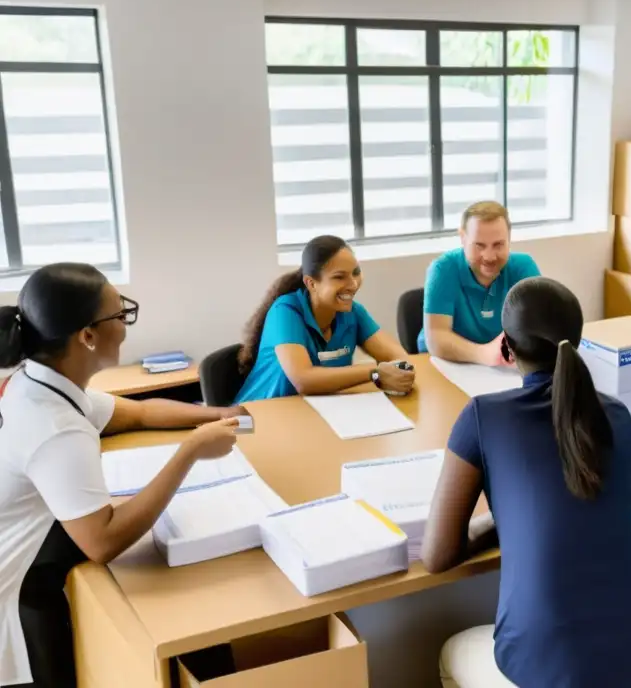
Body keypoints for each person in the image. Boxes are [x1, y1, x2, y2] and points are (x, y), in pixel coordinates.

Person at [422, 277, 631, 688]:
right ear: (577, 344)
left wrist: (495, 524)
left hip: (552, 671)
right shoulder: (617, 416)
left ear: (506, 347)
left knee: (452, 652)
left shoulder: (483, 416)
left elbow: (437, 555)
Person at [0, 263, 242, 688]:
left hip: (39, 548)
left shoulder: (41, 382)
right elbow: (102, 542)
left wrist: (218, 413)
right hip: (17, 588)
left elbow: (138, 411)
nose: (126, 327)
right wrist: (190, 451)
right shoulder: (55, 426)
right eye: (120, 315)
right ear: (87, 336)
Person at [235, 235, 414, 403]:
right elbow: (304, 380)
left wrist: (400, 372)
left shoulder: (353, 312)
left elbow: (397, 356)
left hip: (311, 413)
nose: (353, 284)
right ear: (311, 283)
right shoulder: (285, 311)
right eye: (339, 277)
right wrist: (374, 372)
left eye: (356, 273)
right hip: (252, 420)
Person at [418, 202, 540, 366]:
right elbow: (436, 338)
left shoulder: (524, 267)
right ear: (463, 238)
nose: (489, 257)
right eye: (479, 245)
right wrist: (485, 354)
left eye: (498, 245)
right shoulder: (443, 269)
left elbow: (540, 326)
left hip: (503, 365)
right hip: (446, 363)